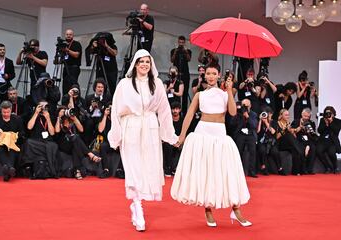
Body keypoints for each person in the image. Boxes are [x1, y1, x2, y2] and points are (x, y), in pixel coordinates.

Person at [171, 63, 251, 228]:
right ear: (205, 75)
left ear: (219, 75)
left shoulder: (225, 93)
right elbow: (189, 115)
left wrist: (229, 90)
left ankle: (235, 209)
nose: (211, 76)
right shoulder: (199, 95)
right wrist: (182, 136)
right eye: (208, 73)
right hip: (202, 134)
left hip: (220, 135)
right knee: (206, 173)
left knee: (226, 173)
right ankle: (208, 210)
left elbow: (233, 112)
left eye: (214, 73)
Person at [108, 49, 178, 232]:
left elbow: (164, 110)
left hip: (150, 128)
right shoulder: (124, 84)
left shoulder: (157, 84)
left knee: (149, 166)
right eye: (141, 61)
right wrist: (116, 135)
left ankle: (136, 203)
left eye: (147, 61)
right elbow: (115, 110)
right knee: (134, 167)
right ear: (135, 64)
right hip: (130, 127)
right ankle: (137, 205)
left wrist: (170, 135)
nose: (145, 65)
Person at [0, 101, 24, 181]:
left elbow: (22, 132)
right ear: (1, 110)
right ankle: (10, 168)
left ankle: (7, 170)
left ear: (11, 110)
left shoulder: (17, 119)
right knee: (0, 149)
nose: (6, 114)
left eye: (8, 112)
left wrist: (14, 135)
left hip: (13, 143)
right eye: (4, 112)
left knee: (12, 149)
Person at [291, 108, 318, 174]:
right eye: (305, 116)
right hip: (299, 140)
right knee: (301, 148)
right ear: (301, 114)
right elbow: (292, 132)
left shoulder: (311, 123)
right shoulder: (296, 121)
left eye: (308, 117)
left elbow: (313, 136)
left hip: (309, 140)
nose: (306, 118)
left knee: (313, 148)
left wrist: (309, 132)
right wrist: (300, 127)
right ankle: (303, 169)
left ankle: (309, 169)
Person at [170, 36, 192, 115]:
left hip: (185, 74)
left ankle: (184, 112)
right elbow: (171, 60)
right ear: (178, 42)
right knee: (175, 92)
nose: (181, 44)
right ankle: (175, 111)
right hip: (176, 75)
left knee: (185, 93)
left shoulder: (188, 51)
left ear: (184, 43)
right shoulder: (174, 50)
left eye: (182, 43)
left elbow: (189, 59)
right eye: (180, 42)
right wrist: (176, 51)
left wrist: (185, 51)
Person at [316, 106, 341, 174]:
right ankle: (328, 167)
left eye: (329, 113)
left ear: (333, 114)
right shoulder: (322, 120)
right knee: (318, 151)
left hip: (332, 141)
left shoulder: (338, 121)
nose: (328, 115)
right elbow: (319, 131)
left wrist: (331, 122)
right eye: (326, 113)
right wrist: (326, 124)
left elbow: (336, 131)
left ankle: (336, 167)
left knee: (331, 152)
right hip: (323, 141)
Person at [61, 29, 82, 95]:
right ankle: (65, 100)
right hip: (66, 67)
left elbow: (76, 55)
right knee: (65, 85)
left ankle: (74, 100)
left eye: (70, 34)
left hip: (74, 68)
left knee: (73, 85)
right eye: (67, 34)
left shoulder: (76, 44)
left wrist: (67, 50)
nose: (68, 36)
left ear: (73, 35)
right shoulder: (63, 45)